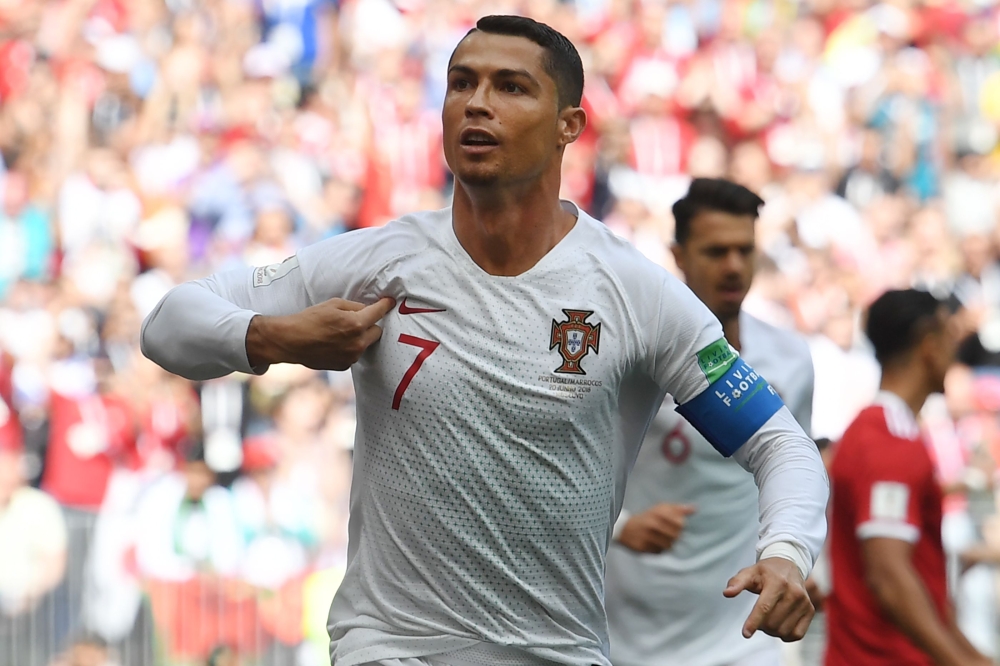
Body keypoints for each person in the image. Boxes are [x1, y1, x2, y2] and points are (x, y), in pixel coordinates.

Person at [141, 16, 828, 666]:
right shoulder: (383, 261)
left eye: (511, 87)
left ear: (568, 126)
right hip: (391, 646)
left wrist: (787, 553)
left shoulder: (634, 294)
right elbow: (168, 322)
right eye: (461, 83)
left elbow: (779, 443)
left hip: (557, 650)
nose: (476, 103)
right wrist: (273, 337)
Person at [604, 178, 815, 666]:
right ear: (678, 255)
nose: (734, 266)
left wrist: (800, 559)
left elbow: (798, 469)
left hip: (743, 639)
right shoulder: (634, 360)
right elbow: (567, 469)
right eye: (716, 251)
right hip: (631, 637)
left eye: (745, 250)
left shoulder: (791, 359)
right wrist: (622, 526)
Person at [826, 289, 992, 666]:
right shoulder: (887, 442)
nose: (955, 352)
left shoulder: (880, 433)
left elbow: (919, 584)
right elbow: (889, 576)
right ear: (928, 344)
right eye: (949, 336)